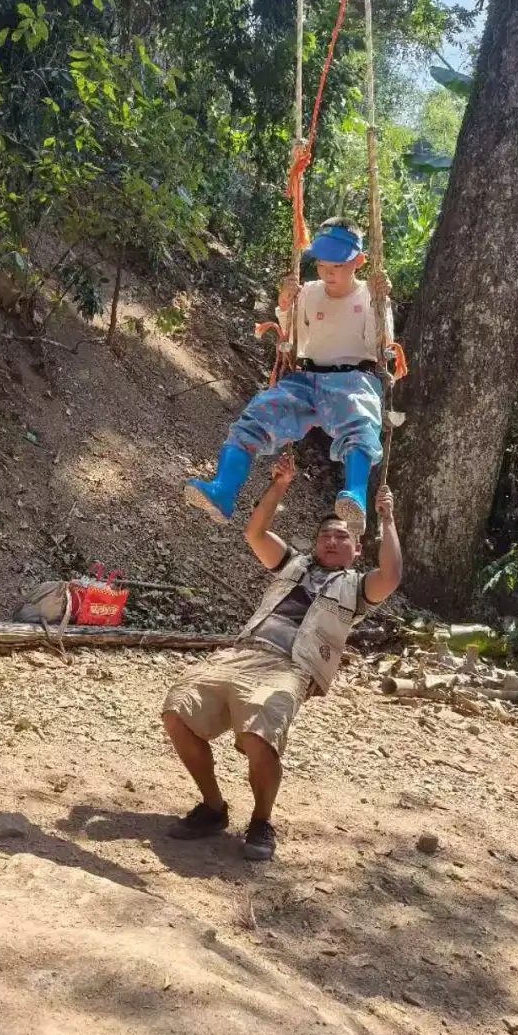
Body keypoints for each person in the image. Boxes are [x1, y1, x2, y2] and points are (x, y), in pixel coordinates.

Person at [162, 452, 402, 862]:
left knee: (259, 735)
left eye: (342, 536)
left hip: (293, 667)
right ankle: (213, 808)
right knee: (176, 711)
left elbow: (392, 575)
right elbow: (255, 533)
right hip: (245, 652)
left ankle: (261, 820)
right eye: (326, 534)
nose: (331, 540)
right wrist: (279, 484)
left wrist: (386, 518)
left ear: (356, 548)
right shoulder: (293, 563)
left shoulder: (358, 587)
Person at [185, 216, 393, 536]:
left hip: (353, 378)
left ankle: (354, 496)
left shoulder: (370, 295)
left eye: (337, 263)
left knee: (360, 419)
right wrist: (285, 303)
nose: (327, 271)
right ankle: (223, 490)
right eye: (322, 263)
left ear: (358, 261)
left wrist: (381, 303)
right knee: (257, 414)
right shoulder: (309, 292)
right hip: (306, 379)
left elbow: (379, 346)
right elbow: (294, 339)